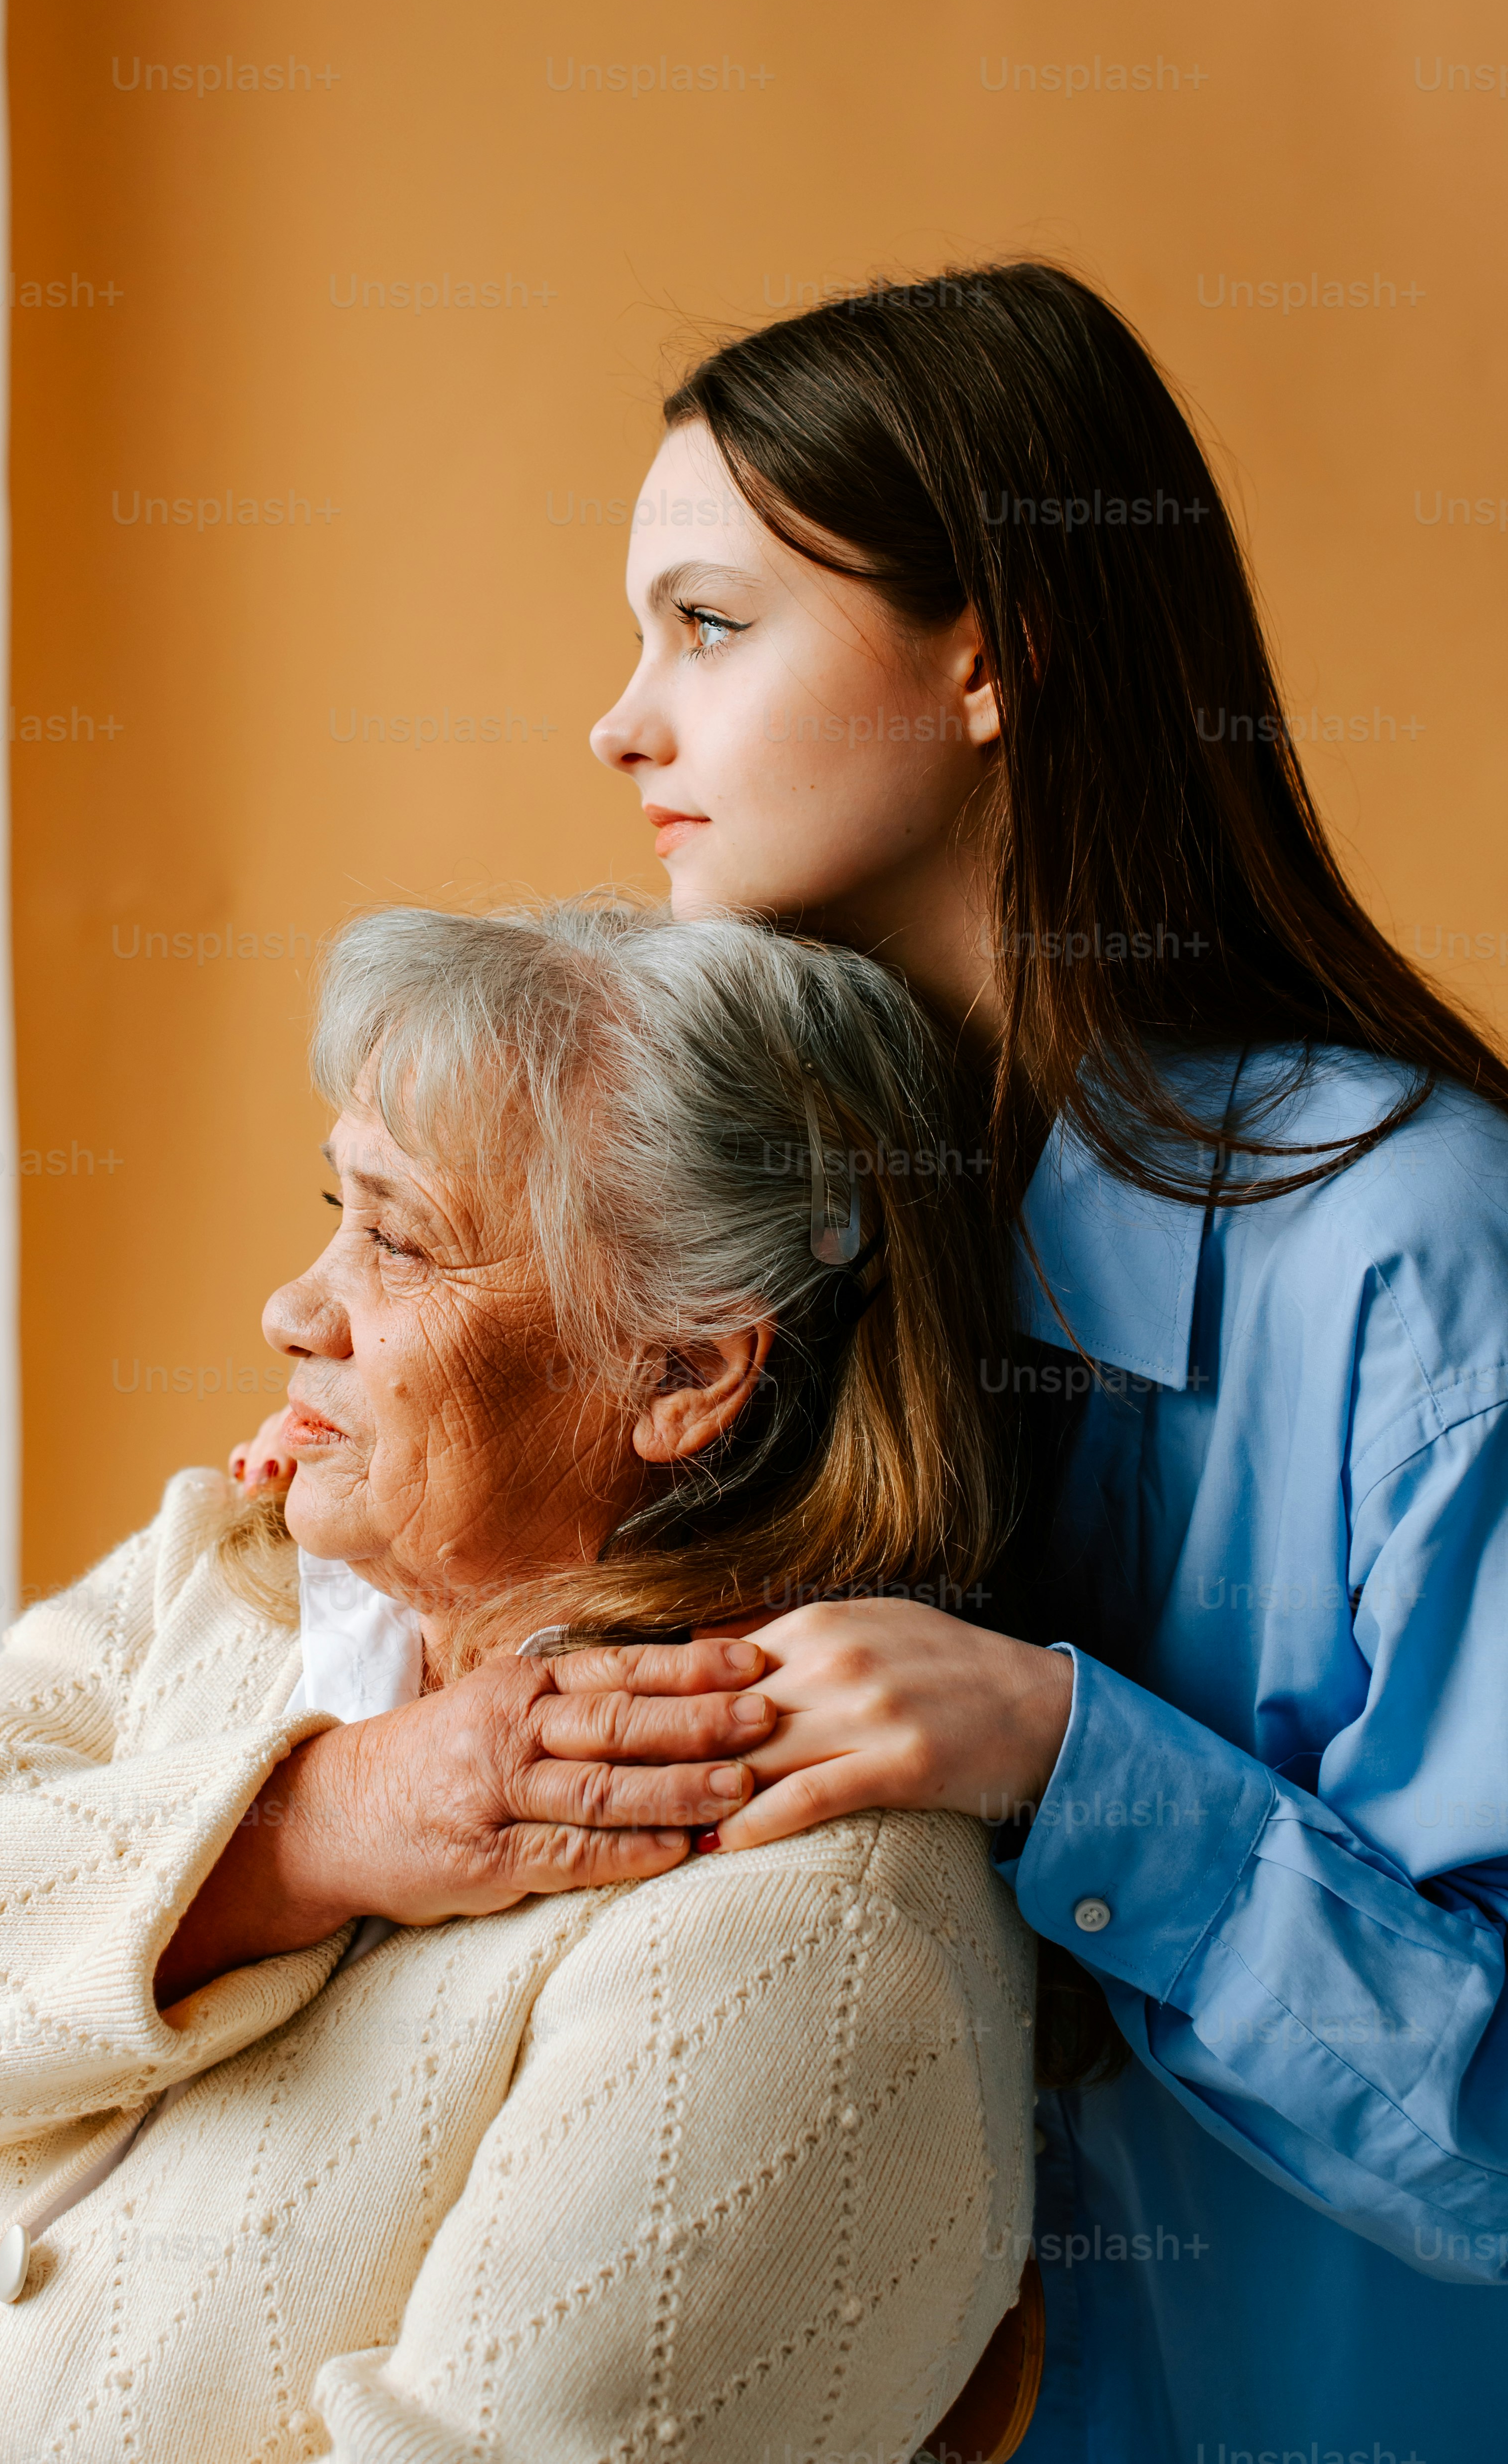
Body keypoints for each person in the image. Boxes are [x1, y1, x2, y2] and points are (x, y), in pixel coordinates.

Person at [237, 264, 1508, 2459]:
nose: (620, 724)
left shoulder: (1413, 1251)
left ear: (991, 654)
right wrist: (381, 1585)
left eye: (706, 628)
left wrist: (1064, 1756)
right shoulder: (739, 1203)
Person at [0, 903, 1036, 2464]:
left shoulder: (816, 1927)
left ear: (679, 1371)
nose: (293, 1309)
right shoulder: (241, 1577)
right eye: (336, 1207)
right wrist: (315, 1824)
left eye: (394, 1238)